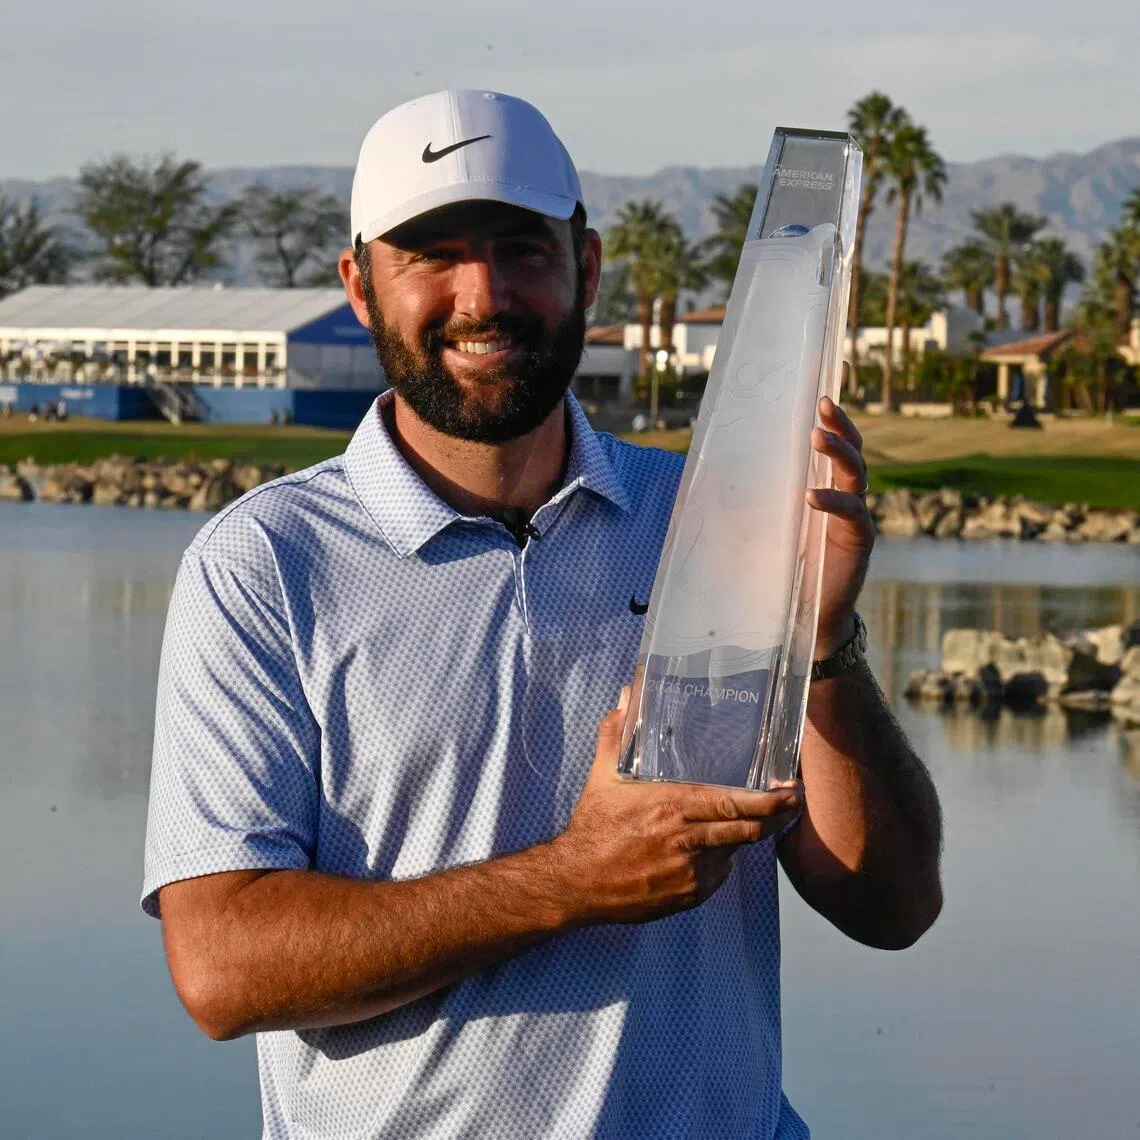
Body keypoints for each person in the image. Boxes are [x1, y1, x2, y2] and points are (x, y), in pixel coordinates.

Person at [142, 90, 942, 1139]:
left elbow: (892, 907)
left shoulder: (716, 520)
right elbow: (222, 969)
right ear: (358, 285)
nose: (484, 295)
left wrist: (823, 642)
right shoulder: (262, 565)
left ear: (587, 269)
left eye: (522, 248)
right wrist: (572, 879)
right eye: (431, 254)